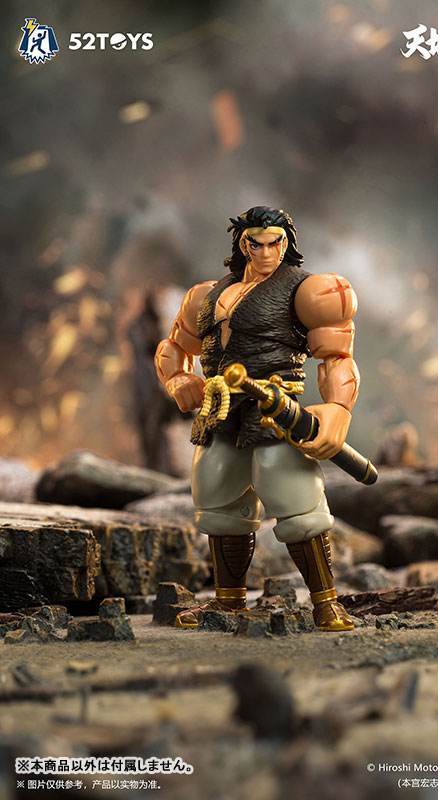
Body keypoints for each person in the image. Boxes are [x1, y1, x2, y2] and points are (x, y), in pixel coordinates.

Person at [154, 206, 360, 631]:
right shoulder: (205, 295)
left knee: (297, 500)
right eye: (256, 243)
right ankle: (228, 602)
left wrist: (338, 408)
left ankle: (326, 603)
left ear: (287, 244)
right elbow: (174, 347)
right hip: (220, 410)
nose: (266, 252)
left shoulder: (310, 291)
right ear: (242, 244)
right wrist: (178, 379)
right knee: (219, 502)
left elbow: (337, 356)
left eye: (275, 243)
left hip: (274, 410)